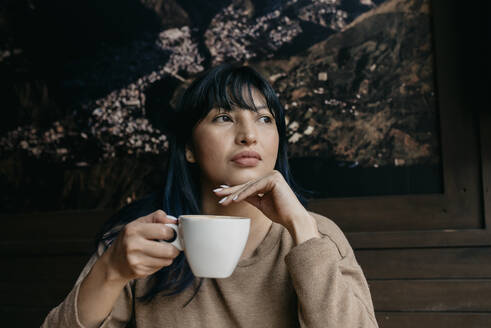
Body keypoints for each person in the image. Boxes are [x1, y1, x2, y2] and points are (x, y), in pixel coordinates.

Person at [42, 64, 379, 328]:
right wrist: (111, 270)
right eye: (223, 117)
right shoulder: (141, 239)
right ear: (189, 148)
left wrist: (303, 229)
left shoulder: (318, 237)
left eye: (264, 118)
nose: (248, 135)